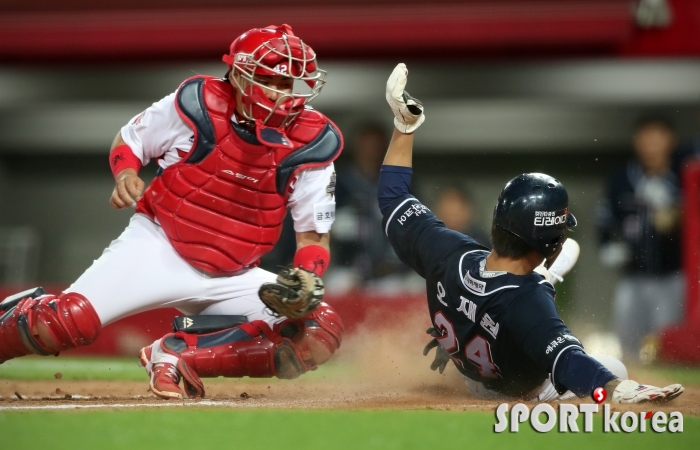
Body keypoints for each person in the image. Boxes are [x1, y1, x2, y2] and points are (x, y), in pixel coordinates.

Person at [0, 24, 344, 400]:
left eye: (290, 83)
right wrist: (126, 173)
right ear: (239, 76)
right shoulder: (197, 102)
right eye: (272, 80)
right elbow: (130, 141)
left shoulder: (314, 140)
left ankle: (177, 356)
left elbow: (314, 234)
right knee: (65, 322)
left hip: (234, 271)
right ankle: (16, 315)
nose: (283, 94)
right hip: (160, 245)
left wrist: (309, 277)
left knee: (319, 331)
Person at [379, 63, 684, 403]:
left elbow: (393, 196)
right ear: (550, 243)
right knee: (615, 365)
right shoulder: (528, 301)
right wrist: (620, 389)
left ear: (497, 221)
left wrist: (404, 127)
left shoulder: (449, 250)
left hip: (471, 374)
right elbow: (569, 362)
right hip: (519, 390)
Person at [597, 117, 684, 362]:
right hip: (632, 276)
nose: (652, 144)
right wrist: (607, 246)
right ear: (637, 141)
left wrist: (676, 210)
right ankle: (630, 391)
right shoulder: (622, 178)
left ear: (671, 140)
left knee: (669, 341)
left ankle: (675, 395)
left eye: (658, 137)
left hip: (672, 275)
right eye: (646, 137)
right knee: (627, 341)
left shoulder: (682, 176)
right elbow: (604, 218)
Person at [332, 124, 409, 286]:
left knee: (398, 287)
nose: (371, 152)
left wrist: (392, 263)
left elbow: (409, 226)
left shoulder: (397, 184)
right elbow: (327, 227)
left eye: (376, 146)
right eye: (366, 146)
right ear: (356, 147)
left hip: (389, 271)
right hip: (347, 267)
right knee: (338, 284)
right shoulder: (339, 183)